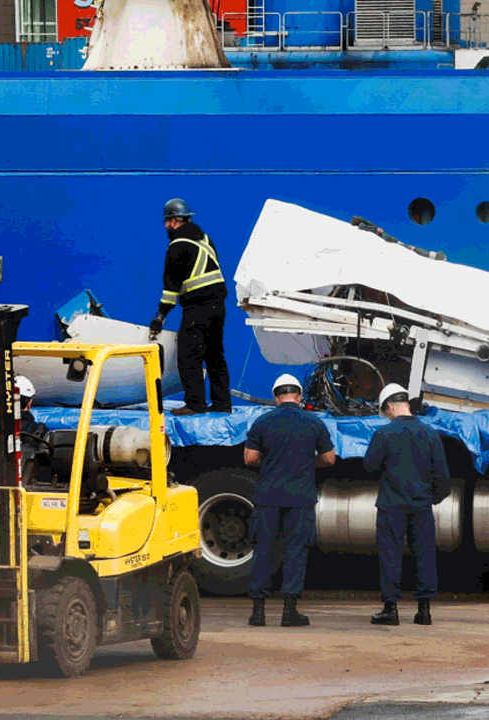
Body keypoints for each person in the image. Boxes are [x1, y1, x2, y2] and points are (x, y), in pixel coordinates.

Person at [244, 374, 337, 627]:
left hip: (268, 497)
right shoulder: (313, 422)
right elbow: (329, 459)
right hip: (300, 498)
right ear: (299, 397)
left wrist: (270, 463)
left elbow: (250, 458)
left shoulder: (262, 422)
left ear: (276, 397)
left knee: (263, 549)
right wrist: (308, 464)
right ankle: (289, 611)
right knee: (296, 551)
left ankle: (258, 612)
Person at [364, 383, 450, 626]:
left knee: (390, 555)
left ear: (390, 406)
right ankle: (424, 611)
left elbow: (370, 467)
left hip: (392, 505)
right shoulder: (431, 433)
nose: (388, 416)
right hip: (421, 506)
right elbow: (442, 477)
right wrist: (431, 499)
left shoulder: (384, 434)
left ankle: (390, 609)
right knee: (424, 554)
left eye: (386, 412)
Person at [149, 198, 232, 416]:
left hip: (197, 307)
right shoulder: (205, 239)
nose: (166, 227)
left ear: (173, 221)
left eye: (166, 222)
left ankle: (195, 404)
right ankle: (222, 404)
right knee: (215, 354)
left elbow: (171, 286)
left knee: (189, 354)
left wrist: (160, 317)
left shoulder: (177, 244)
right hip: (218, 305)